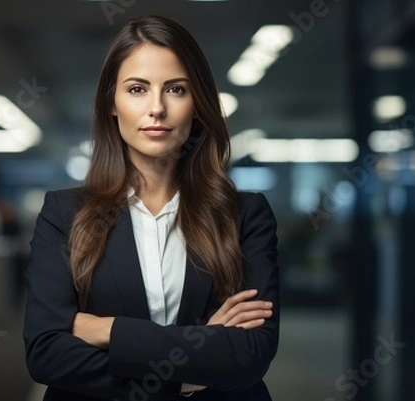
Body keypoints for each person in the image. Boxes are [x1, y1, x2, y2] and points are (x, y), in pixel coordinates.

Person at [23, 14, 279, 401]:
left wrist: (107, 330)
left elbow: (249, 355)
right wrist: (193, 363)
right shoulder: (65, 213)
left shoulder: (245, 215)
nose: (156, 108)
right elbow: (47, 356)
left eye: (175, 89)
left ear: (198, 104)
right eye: (137, 89)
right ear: (113, 102)